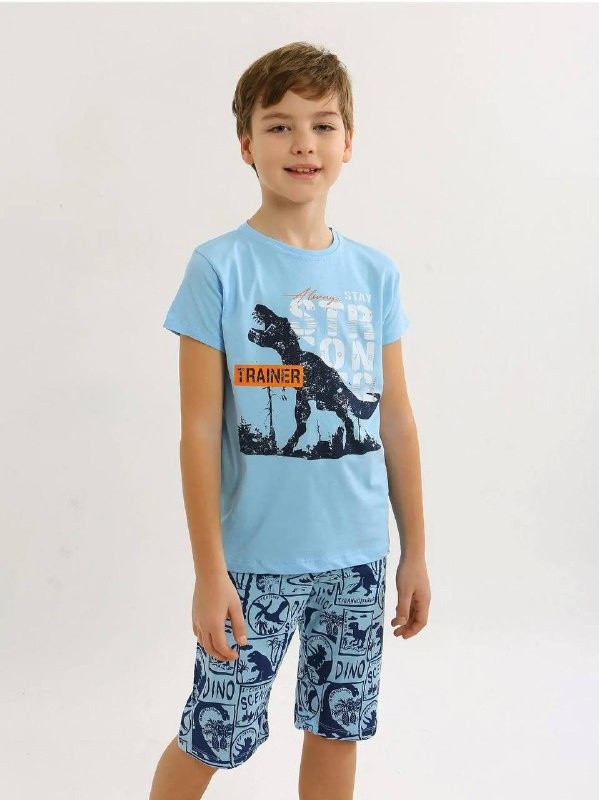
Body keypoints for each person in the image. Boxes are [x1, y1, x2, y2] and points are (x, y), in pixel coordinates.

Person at [149, 40, 431, 800]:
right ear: (246, 144)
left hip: (358, 561)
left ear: (347, 142)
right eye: (279, 126)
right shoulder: (218, 268)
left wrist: (413, 553)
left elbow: (396, 421)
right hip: (252, 564)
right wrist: (209, 572)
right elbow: (198, 432)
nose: (303, 143)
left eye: (322, 124)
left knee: (338, 731)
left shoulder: (375, 274)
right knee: (214, 734)